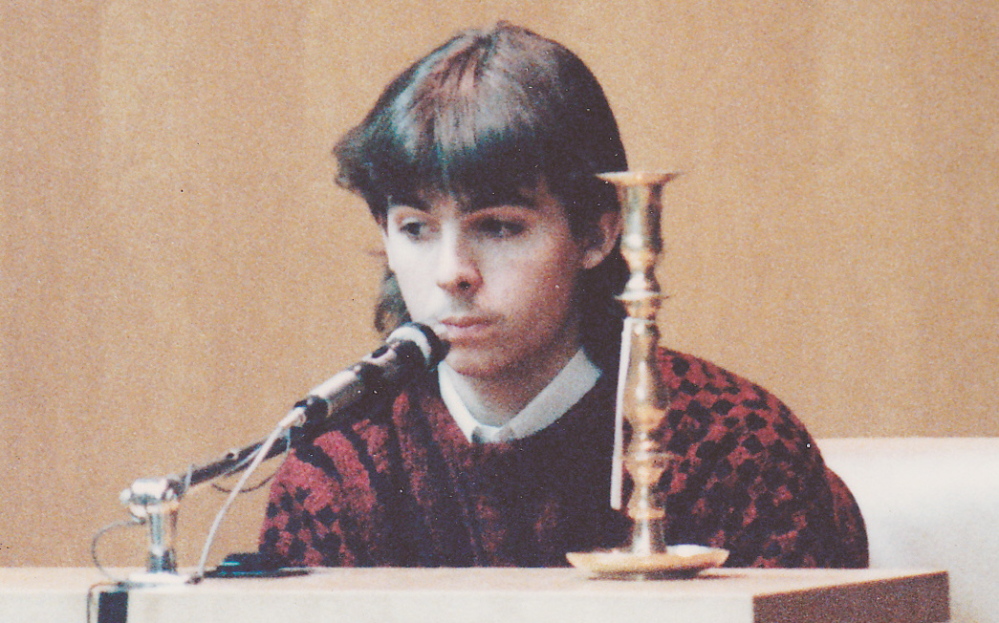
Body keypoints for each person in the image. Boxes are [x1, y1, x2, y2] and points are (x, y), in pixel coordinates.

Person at [258, 22, 868, 569]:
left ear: (599, 233)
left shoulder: (736, 450)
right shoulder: (339, 467)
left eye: (498, 226)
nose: (452, 273)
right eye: (415, 229)